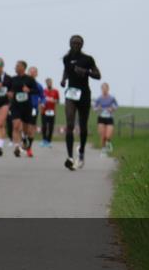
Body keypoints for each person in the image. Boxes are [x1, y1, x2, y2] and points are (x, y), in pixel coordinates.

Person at [60, 34, 101, 170]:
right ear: (70, 44)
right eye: (74, 43)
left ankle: (81, 151)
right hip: (71, 94)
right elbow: (66, 70)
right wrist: (63, 79)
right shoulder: (67, 58)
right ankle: (70, 157)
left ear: (82, 45)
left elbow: (98, 75)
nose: (76, 45)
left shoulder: (88, 59)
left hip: (84, 95)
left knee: (83, 127)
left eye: (79, 43)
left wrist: (86, 71)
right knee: (70, 124)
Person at [7, 61, 39, 157]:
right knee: (16, 125)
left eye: (17, 66)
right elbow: (8, 90)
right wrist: (9, 94)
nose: (15, 67)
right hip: (15, 106)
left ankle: (24, 138)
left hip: (26, 106)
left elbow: (36, 90)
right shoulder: (13, 79)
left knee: (26, 129)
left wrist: (29, 90)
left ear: (23, 68)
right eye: (15, 66)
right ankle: (17, 147)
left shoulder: (29, 79)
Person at [94, 82, 118, 153]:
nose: (104, 90)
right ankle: (103, 149)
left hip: (109, 118)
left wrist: (112, 109)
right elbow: (94, 108)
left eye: (106, 88)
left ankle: (108, 144)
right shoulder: (99, 98)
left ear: (108, 89)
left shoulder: (112, 98)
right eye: (103, 89)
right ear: (101, 89)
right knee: (103, 136)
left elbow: (116, 106)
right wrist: (98, 108)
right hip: (101, 118)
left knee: (108, 136)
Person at [40, 77, 60, 147]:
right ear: (46, 83)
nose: (49, 84)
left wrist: (54, 101)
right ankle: (44, 140)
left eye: (50, 82)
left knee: (51, 127)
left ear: (52, 83)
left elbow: (58, 101)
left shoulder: (55, 91)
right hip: (44, 111)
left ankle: (49, 141)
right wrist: (42, 102)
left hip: (52, 111)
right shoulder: (43, 91)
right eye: (48, 82)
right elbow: (40, 100)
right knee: (44, 126)